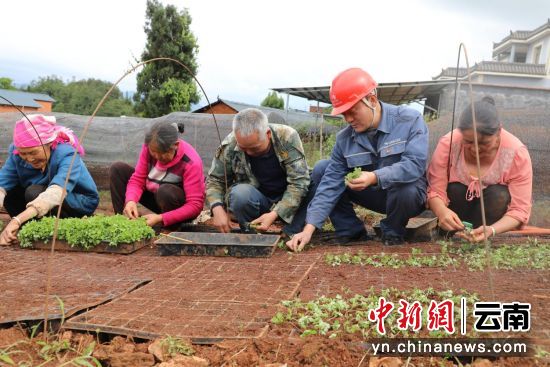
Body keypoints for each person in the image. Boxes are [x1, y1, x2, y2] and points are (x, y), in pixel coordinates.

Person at [287, 68, 429, 252]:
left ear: (371, 100)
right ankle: (351, 230)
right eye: (343, 114)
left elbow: (414, 165)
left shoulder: (409, 120)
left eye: (352, 111)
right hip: (374, 196)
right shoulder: (344, 138)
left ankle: (393, 231)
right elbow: (330, 184)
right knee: (323, 168)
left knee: (407, 190)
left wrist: (374, 177)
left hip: (406, 197)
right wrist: (308, 229)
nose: (348, 119)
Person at [427, 96, 532, 242]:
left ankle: (481, 235)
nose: (475, 149)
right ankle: (446, 233)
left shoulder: (516, 153)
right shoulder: (449, 143)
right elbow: (435, 191)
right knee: (455, 189)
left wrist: (492, 229)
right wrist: (441, 211)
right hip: (456, 211)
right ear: (460, 132)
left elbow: (520, 210)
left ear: (498, 132)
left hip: (489, 220)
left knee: (499, 195)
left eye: (484, 143)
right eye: (468, 141)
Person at [206, 108, 310, 234]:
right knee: (240, 194)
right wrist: (216, 208)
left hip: (289, 198)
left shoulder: (287, 137)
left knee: (317, 176)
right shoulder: (230, 144)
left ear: (268, 134)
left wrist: (275, 213)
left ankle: (293, 229)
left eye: (254, 148)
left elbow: (299, 182)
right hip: (258, 200)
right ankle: (250, 232)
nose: (249, 152)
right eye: (243, 148)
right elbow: (215, 180)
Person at [0, 114, 99, 245]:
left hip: (78, 200)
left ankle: (41, 227)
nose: (29, 159)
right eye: (23, 153)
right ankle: (26, 228)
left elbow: (56, 193)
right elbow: (2, 183)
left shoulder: (67, 153)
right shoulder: (17, 152)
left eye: (34, 152)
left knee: (34, 192)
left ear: (49, 143)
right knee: (10, 192)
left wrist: (16, 220)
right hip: (40, 195)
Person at [109, 121, 205, 229]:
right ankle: (122, 221)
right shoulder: (149, 147)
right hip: (157, 199)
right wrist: (131, 200)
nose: (157, 157)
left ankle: (171, 229)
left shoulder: (191, 162)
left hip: (177, 208)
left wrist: (161, 218)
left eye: (162, 153)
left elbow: (195, 205)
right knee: (118, 169)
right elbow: (138, 179)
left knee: (165, 191)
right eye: (153, 152)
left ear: (175, 145)